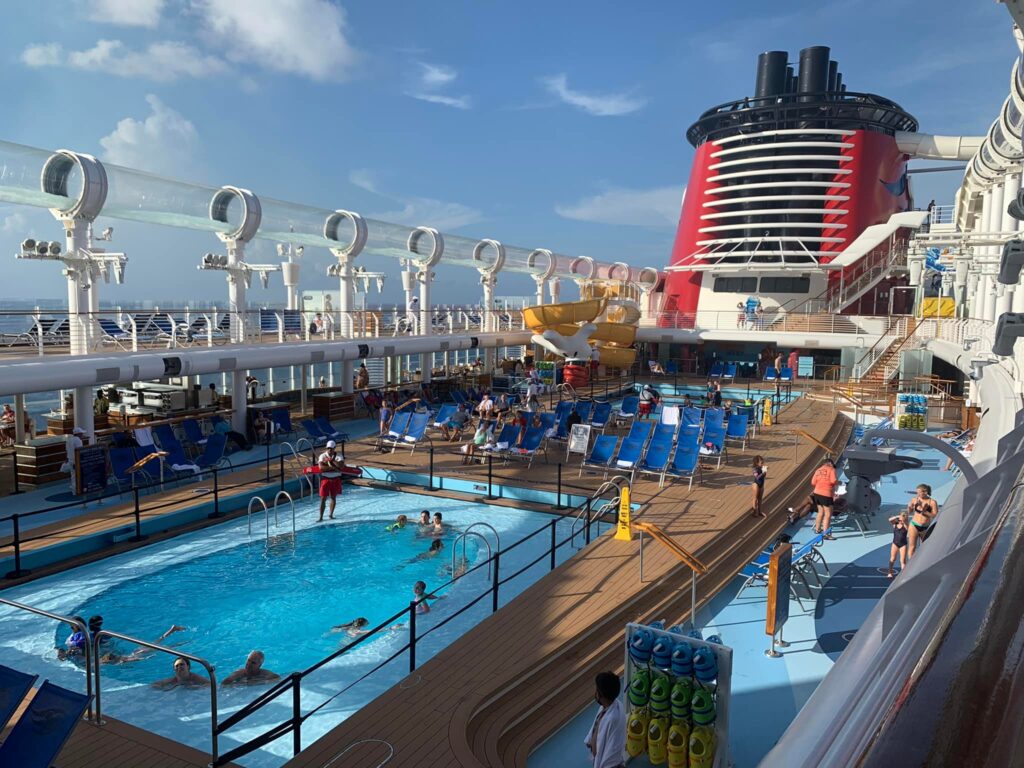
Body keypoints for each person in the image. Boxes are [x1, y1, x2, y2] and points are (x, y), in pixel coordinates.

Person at [584, 671, 626, 768]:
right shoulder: (607, 707)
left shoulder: (612, 718)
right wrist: (590, 741)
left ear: (601, 694)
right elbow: (596, 727)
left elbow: (613, 751)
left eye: (597, 690)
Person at [907, 483, 939, 560]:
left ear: (925, 492)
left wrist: (925, 512)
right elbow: (909, 512)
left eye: (919, 492)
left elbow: (935, 515)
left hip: (925, 527)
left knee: (925, 548)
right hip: (914, 525)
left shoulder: (932, 502)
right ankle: (910, 565)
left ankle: (922, 562)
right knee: (912, 547)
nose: (917, 494)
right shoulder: (914, 500)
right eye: (917, 492)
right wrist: (909, 507)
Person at [811, 457, 838, 539]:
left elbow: (813, 482)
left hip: (817, 493)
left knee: (820, 512)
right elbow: (833, 481)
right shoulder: (832, 469)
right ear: (830, 463)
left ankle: (817, 529)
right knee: (828, 514)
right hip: (826, 494)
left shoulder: (818, 470)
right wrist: (839, 482)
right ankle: (826, 534)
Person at [318, 440, 344, 521]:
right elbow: (321, 468)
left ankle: (331, 515)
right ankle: (321, 517)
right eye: (328, 448)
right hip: (326, 479)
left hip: (336, 479)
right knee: (323, 498)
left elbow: (341, 466)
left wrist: (331, 461)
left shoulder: (339, 456)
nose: (329, 450)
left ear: (334, 448)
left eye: (331, 448)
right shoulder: (322, 456)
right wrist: (334, 468)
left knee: (333, 497)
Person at [887, 512, 910, 578]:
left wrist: (903, 518)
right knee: (893, 558)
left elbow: (905, 522)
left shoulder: (906, 525)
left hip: (903, 544)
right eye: (901, 516)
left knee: (902, 560)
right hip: (895, 544)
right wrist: (898, 516)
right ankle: (890, 572)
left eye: (903, 517)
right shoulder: (895, 524)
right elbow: (890, 520)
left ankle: (903, 575)